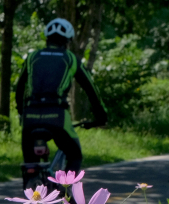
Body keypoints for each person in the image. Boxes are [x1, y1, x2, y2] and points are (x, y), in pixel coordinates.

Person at [14, 18, 107, 175]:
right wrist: (101, 116)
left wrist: (20, 110)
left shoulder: (32, 57)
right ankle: (67, 192)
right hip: (57, 117)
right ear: (68, 41)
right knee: (75, 155)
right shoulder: (71, 58)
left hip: (30, 116)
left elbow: (19, 88)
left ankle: (30, 186)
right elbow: (91, 90)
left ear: (47, 38)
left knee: (30, 164)